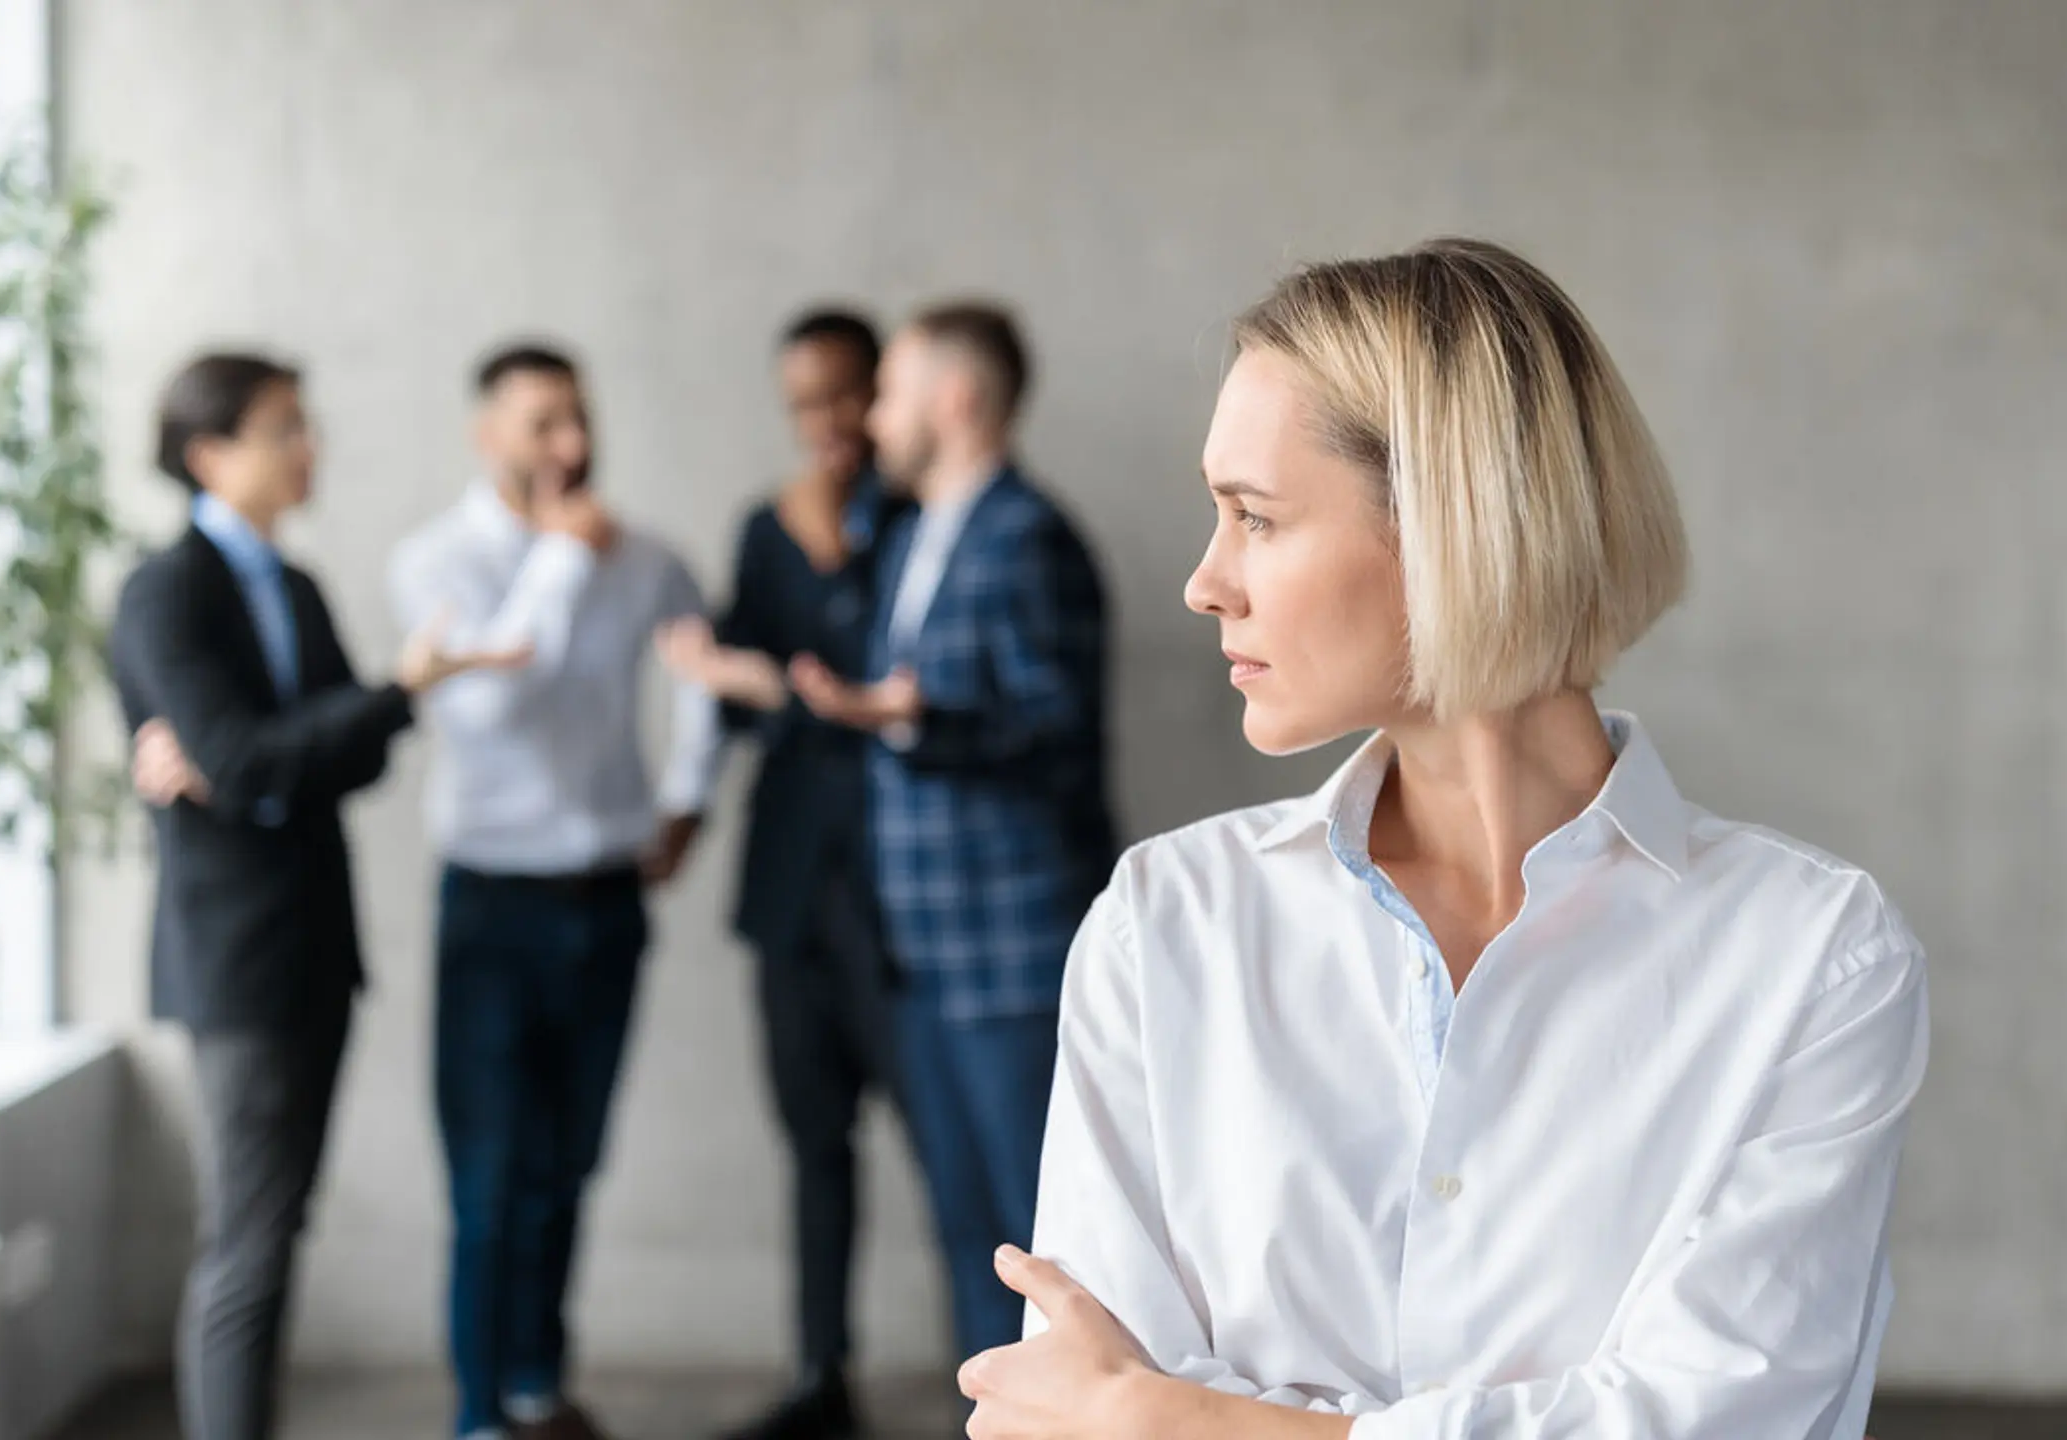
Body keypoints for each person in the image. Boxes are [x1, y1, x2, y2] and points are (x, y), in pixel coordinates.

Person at [956, 240, 1928, 1440]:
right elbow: (1077, 1404)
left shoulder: (1813, 958)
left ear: (1454, 527)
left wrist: (1182, 1418)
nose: (1205, 583)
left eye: (1254, 518)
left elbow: (1716, 1421)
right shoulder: (1167, 923)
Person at [110, 352, 524, 1440]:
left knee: (278, 1228)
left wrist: (272, 756)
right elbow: (259, 756)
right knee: (247, 1242)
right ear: (209, 454)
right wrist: (383, 698)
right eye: (282, 429)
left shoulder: (291, 585)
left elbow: (341, 760)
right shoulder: (166, 590)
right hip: (235, 960)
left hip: (313, 952)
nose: (310, 450)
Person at [389, 342, 719, 1440]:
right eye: (542, 424)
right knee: (489, 1180)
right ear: (487, 436)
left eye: (579, 419)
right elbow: (485, 706)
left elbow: (699, 668)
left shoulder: (647, 560)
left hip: (606, 903)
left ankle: (537, 1384)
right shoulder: (433, 563)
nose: (571, 447)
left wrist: (686, 800)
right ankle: (481, 1414)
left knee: (568, 1165)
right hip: (490, 905)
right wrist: (563, 562)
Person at [782, 302, 1118, 1377]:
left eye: (886, 391)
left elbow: (1057, 727)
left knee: (1044, 1251)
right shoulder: (916, 530)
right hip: (920, 958)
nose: (870, 417)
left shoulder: (1030, 536)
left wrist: (912, 719)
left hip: (1011, 953)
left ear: (954, 399)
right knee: (969, 1242)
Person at [655, 308, 915, 1440]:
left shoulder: (920, 516)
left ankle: (1000, 1378)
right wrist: (721, 683)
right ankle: (821, 1376)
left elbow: (898, 681)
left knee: (951, 1146)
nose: (825, 424)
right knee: (811, 1142)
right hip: (792, 886)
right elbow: (731, 677)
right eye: (802, 403)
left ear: (883, 391)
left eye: (844, 396)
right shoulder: (764, 528)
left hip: (905, 892)